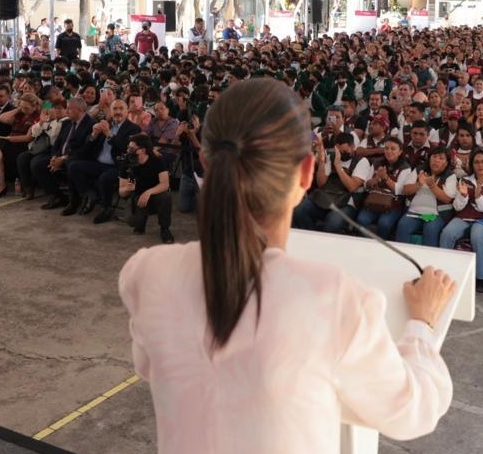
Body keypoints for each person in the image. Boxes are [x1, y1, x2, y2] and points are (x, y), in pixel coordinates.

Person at [118, 78, 455, 453]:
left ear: (205, 163)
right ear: (306, 173)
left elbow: (151, 365)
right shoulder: (333, 298)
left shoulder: (146, 273)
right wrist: (422, 325)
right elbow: (412, 410)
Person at [439, 149, 483, 293]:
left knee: (477, 236)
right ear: (472, 165)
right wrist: (463, 196)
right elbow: (457, 207)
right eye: (476, 162)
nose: (480, 165)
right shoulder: (465, 181)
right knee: (447, 232)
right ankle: (445, 271)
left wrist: (479, 197)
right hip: (465, 217)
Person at [117, 133, 174, 243]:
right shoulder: (126, 162)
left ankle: (165, 229)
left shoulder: (157, 160)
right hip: (136, 197)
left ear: (142, 150)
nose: (128, 150)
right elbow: (121, 192)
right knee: (132, 221)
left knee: (166, 197)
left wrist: (148, 192)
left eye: (132, 148)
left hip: (155, 195)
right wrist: (127, 189)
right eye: (128, 147)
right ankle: (141, 222)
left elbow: (165, 184)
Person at [395, 147, 457, 247]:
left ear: (446, 163)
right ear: (429, 159)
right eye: (434, 157)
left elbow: (447, 199)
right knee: (403, 226)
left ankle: (429, 261)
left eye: (441, 158)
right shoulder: (419, 170)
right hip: (414, 212)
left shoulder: (450, 176)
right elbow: (405, 190)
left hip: (435, 215)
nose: (436, 160)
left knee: (430, 229)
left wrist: (432, 186)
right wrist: (419, 184)